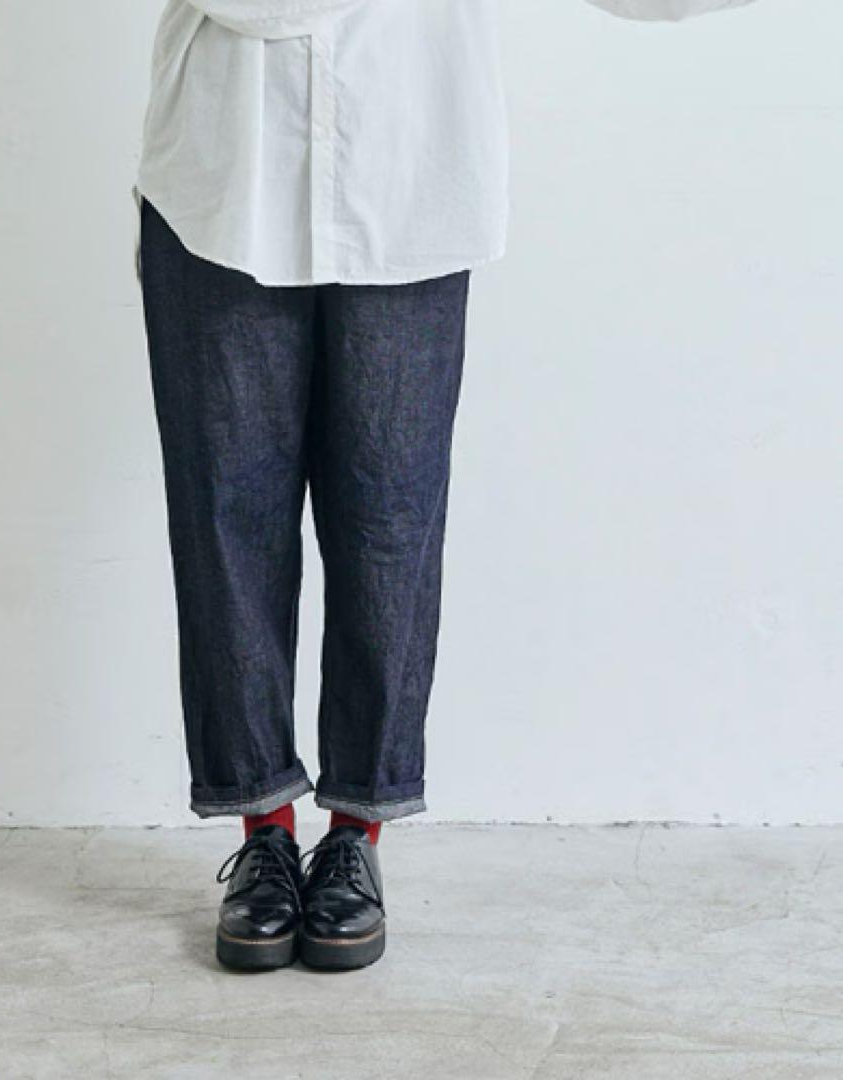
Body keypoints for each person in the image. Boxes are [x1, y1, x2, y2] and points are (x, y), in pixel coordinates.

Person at [133, 0, 757, 972]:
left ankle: (357, 836)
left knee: (390, 524)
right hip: (225, 179)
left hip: (410, 173)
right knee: (227, 516)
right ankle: (263, 834)